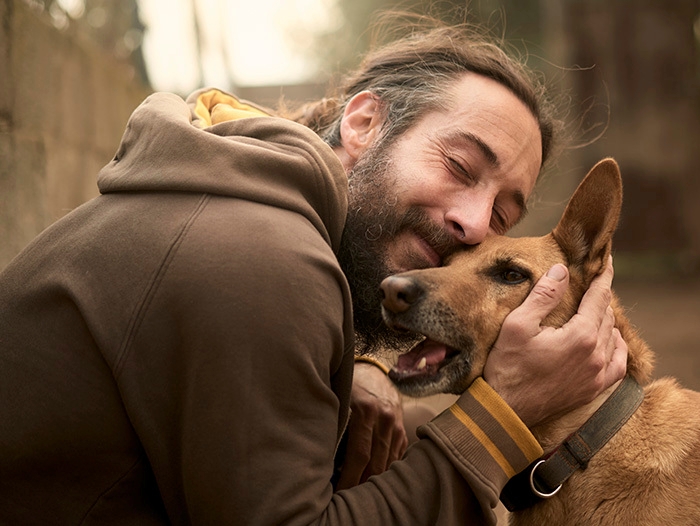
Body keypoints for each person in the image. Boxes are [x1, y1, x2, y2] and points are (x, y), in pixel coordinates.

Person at [0, 16, 627, 525]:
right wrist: (500, 419)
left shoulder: (250, 208)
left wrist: (365, 362)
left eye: (503, 212)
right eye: (460, 167)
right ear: (362, 124)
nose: (473, 222)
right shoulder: (262, 257)